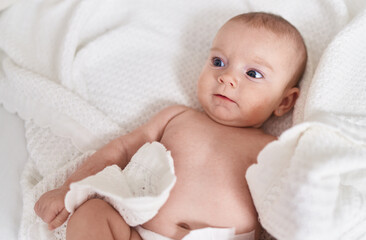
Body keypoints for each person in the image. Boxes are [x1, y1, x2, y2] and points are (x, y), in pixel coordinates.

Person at [34, 12, 307, 240]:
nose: (227, 77)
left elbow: (293, 208)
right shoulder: (177, 117)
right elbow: (120, 149)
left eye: (253, 73)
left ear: (284, 102)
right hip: (141, 233)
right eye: (218, 62)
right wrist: (68, 189)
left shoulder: (273, 149)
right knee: (92, 213)